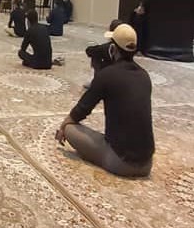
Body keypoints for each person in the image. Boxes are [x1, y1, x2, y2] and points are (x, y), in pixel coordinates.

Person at [55, 24, 154, 178]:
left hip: (119, 161)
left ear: (113, 49)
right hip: (147, 163)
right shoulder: (144, 76)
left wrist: (63, 127)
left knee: (70, 129)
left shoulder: (107, 75)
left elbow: (81, 110)